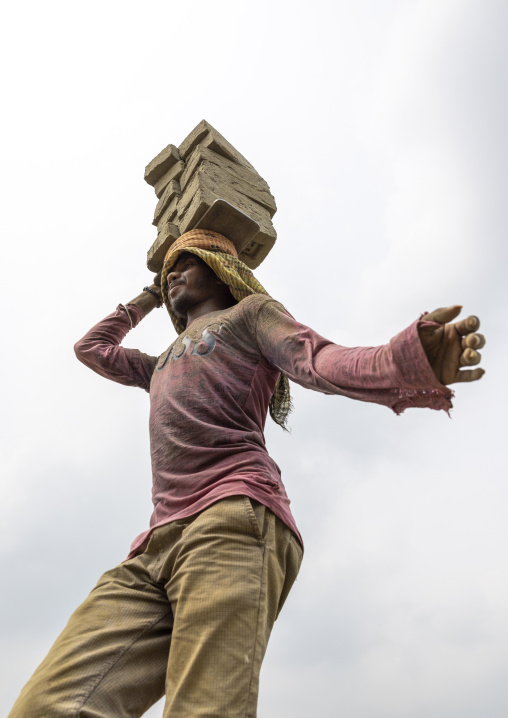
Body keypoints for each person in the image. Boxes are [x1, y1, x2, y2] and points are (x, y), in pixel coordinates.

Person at [9, 229, 485, 718]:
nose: (174, 273)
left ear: (220, 268)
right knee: (47, 705)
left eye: (187, 263)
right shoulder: (157, 366)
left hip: (232, 519)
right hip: (154, 546)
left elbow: (316, 360)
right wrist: (151, 294)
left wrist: (400, 360)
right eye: (169, 268)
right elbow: (92, 348)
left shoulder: (249, 315)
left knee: (203, 707)